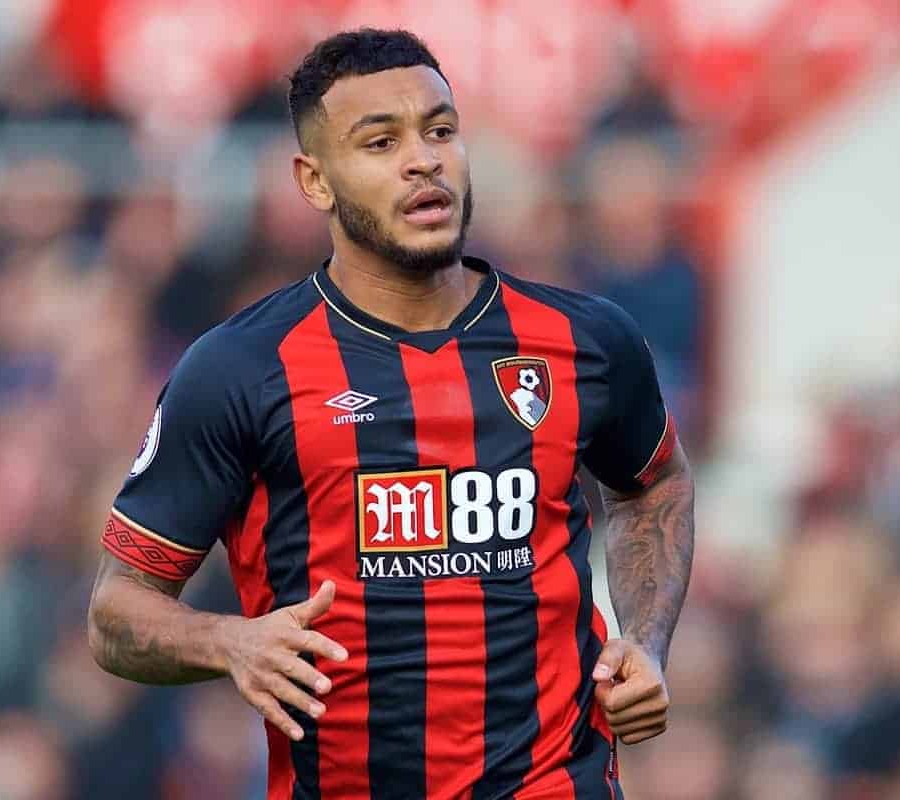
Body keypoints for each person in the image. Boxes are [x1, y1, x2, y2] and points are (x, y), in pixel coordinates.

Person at [86, 28, 695, 800]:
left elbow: (654, 484)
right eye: (380, 142)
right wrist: (227, 641)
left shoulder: (586, 339)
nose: (423, 159)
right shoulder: (237, 370)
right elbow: (115, 610)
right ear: (315, 181)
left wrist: (645, 640)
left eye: (441, 130)